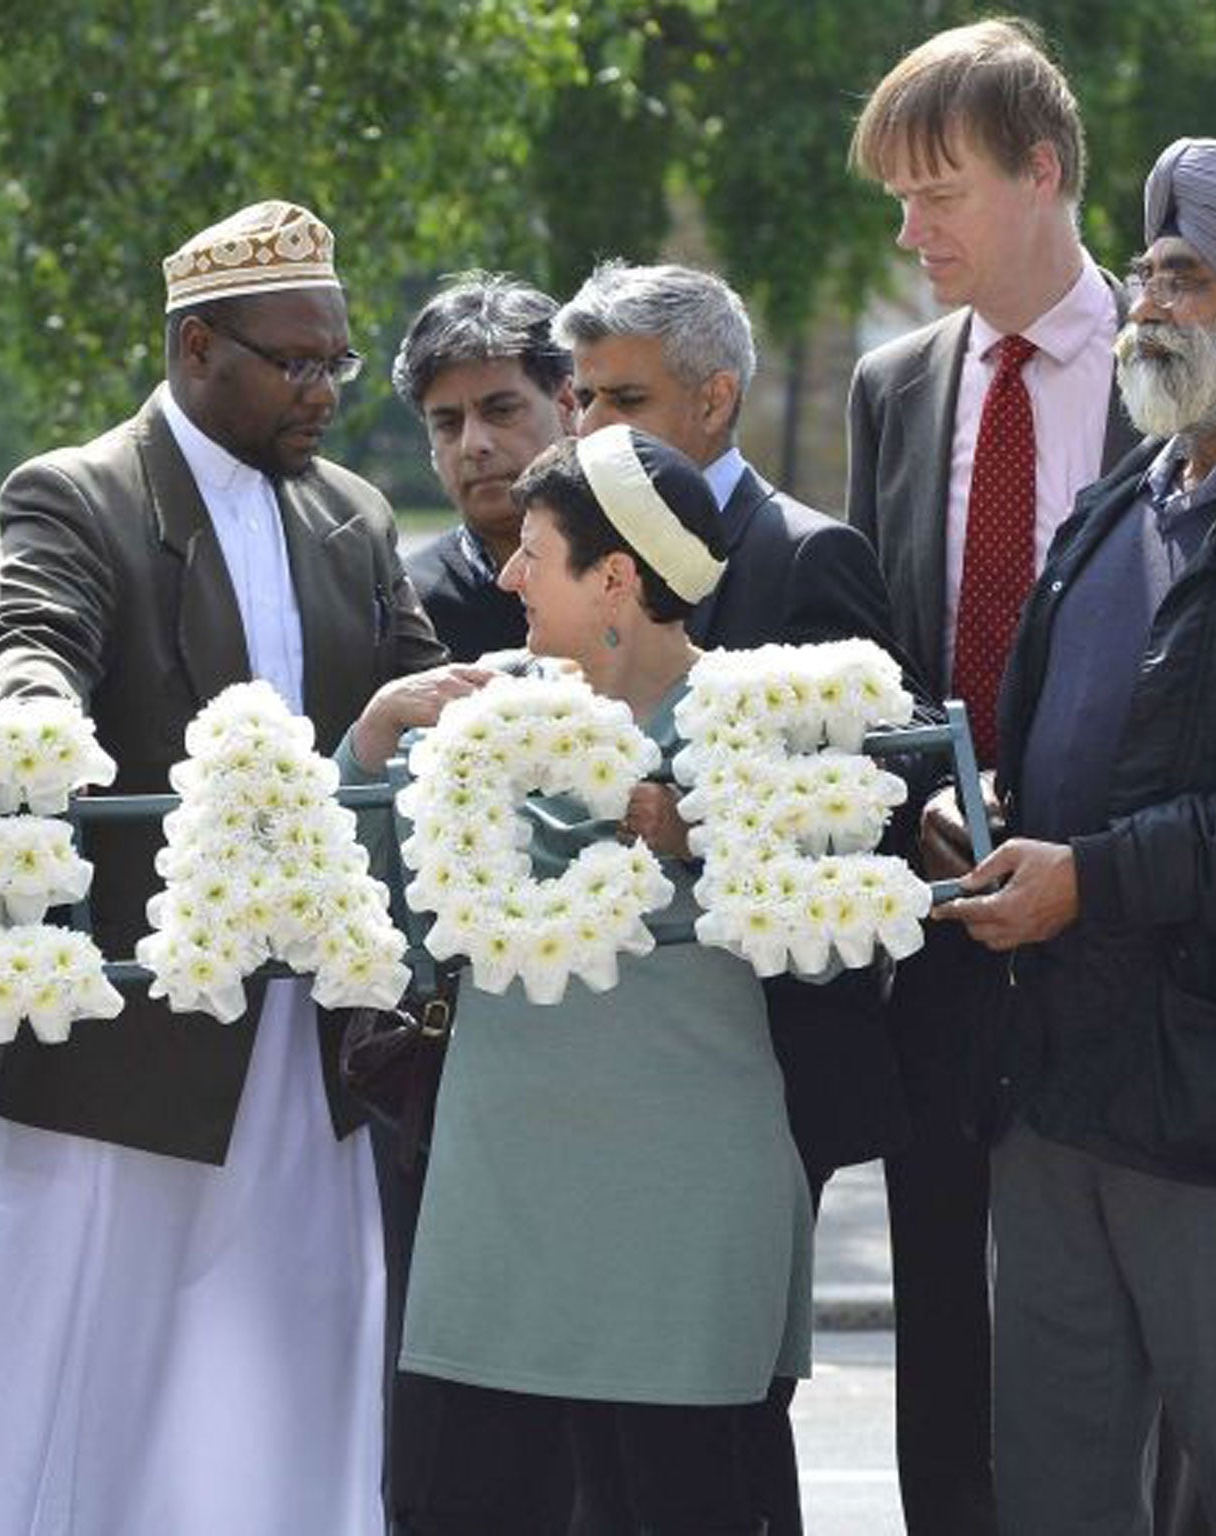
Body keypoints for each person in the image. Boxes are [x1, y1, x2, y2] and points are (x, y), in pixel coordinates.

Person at [0, 200, 447, 1536]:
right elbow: (30, 631)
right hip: (123, 1056)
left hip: (299, 1044)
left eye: (336, 360)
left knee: (282, 1394)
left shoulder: (355, 513)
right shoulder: (80, 490)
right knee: (76, 1391)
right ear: (200, 347)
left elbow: (420, 677)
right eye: (297, 362)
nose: (326, 388)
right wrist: (32, 710)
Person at [938, 135, 1216, 1536]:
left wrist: (1088, 881)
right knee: (1055, 1489)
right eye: (1147, 276)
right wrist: (984, 821)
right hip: (1054, 1093)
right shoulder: (1114, 513)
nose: (1146, 307)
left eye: (1186, 280)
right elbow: (1061, 751)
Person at [364, 424, 810, 1536]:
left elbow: (831, 905)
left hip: (682, 1208)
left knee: (679, 1504)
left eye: (532, 551)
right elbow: (357, 900)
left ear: (613, 579)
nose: (505, 572)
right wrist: (371, 742)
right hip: (495, 1203)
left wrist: (698, 834)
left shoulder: (763, 726)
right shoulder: (470, 714)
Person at [843, 26, 1147, 1531]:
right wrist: (923, 799)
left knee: (1141, 1321)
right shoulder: (895, 387)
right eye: (896, 199)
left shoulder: (1185, 366)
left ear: (1044, 174)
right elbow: (878, 660)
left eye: (938, 191)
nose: (911, 232)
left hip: (1138, 919)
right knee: (944, 1322)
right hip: (946, 922)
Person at [553, 259, 906, 1532]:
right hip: (609, 1058)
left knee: (726, 1421)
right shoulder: (562, 555)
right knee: (616, 1421)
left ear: (713, 401)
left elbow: (858, 818)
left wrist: (698, 823)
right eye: (578, 396)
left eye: (623, 398)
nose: (589, 426)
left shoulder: (808, 559)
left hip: (760, 1058)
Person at [391, 272, 576, 662]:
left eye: (501, 410)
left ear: (567, 405)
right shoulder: (406, 612)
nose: (474, 444)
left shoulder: (644, 576)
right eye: (447, 423)